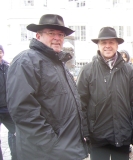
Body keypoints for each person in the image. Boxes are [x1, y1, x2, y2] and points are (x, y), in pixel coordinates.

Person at [6, 14, 88, 160]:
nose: (57, 38)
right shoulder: (26, 61)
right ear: (38, 36)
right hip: (45, 152)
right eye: (51, 33)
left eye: (61, 34)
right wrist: (51, 144)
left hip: (65, 149)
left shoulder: (59, 63)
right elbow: (23, 111)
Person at [76, 26, 133, 160]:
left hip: (122, 134)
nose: (107, 46)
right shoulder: (87, 70)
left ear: (117, 45)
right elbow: (80, 103)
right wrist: (84, 131)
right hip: (97, 135)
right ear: (98, 45)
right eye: (103, 42)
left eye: (111, 42)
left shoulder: (128, 70)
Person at [0, 45, 17, 160]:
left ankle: (15, 157)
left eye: (0, 51)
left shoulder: (7, 67)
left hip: (7, 107)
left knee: (16, 132)